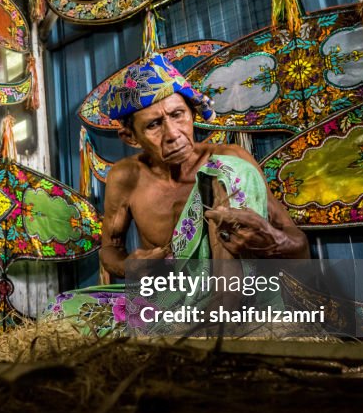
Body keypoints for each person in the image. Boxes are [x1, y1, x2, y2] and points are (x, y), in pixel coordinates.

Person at [46, 53, 308, 334]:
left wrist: (272, 241)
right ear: (131, 138)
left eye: (177, 115)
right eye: (154, 125)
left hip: (242, 297)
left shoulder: (231, 159)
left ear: (192, 113)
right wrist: (129, 265)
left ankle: (223, 320)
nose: (173, 133)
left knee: (226, 168)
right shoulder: (125, 177)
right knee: (61, 312)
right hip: (171, 300)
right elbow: (110, 249)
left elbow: (299, 245)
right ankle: (196, 330)